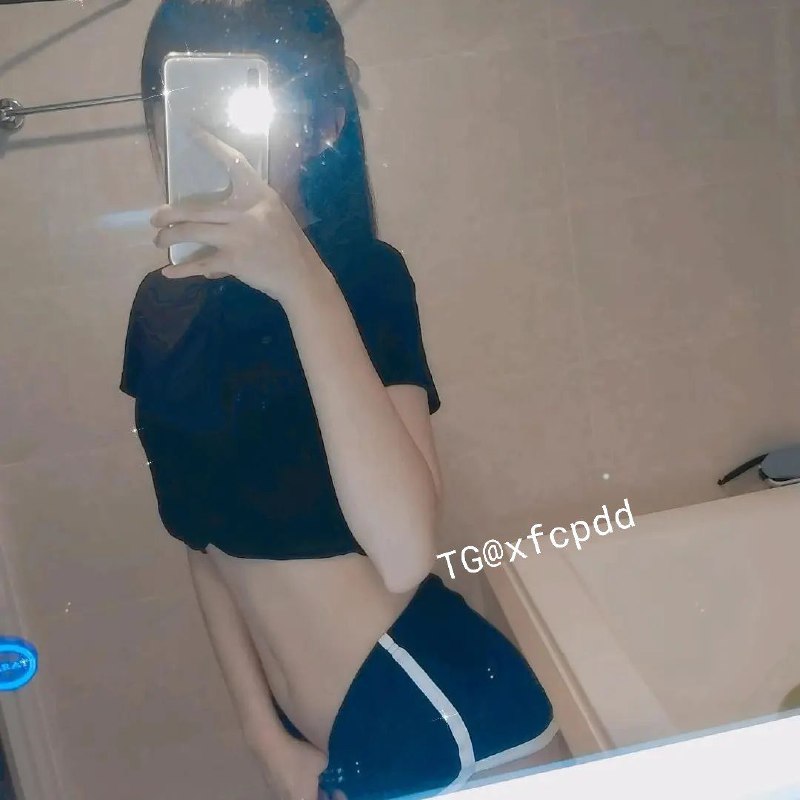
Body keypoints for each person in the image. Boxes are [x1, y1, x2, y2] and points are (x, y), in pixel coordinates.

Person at [120, 1, 568, 798]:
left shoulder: (362, 275)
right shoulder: (161, 306)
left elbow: (403, 549)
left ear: (323, 125)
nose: (204, 132)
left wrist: (301, 283)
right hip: (325, 739)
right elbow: (202, 545)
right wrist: (266, 740)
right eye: (178, 98)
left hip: (442, 716)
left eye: (241, 98)